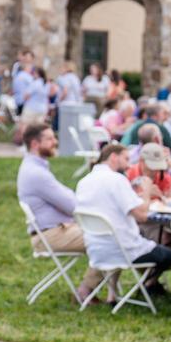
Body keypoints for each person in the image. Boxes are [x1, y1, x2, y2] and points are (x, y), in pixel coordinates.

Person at [17, 124, 103, 302]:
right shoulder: (36, 173)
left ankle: (102, 292)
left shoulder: (35, 167)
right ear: (34, 144)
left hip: (54, 230)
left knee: (110, 235)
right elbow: (72, 205)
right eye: (49, 139)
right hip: (50, 235)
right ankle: (86, 291)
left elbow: (67, 199)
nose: (55, 142)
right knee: (109, 238)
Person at [75, 144, 171, 294]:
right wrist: (146, 192)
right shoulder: (117, 180)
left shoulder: (84, 181)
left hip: (96, 248)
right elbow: (141, 216)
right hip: (125, 248)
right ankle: (155, 286)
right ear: (114, 157)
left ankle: (116, 294)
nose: (128, 164)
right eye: (126, 158)